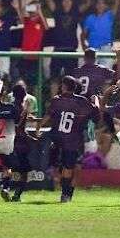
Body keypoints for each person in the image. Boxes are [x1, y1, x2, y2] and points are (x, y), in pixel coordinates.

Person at [37, 75, 100, 203]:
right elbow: (96, 114)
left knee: (56, 164)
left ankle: (61, 186)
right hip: (73, 140)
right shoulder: (82, 101)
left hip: (57, 138)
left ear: (64, 86)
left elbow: (48, 116)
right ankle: (65, 194)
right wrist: (96, 100)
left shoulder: (57, 100)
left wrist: (39, 126)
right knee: (69, 168)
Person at [74, 48, 120, 157]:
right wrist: (119, 58)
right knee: (109, 128)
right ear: (95, 58)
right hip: (95, 108)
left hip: (78, 108)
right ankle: (115, 138)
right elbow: (118, 77)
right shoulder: (100, 70)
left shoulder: (76, 71)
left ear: (84, 58)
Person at [44, 0, 82, 79]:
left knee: (71, 79)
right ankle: (53, 96)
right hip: (58, 49)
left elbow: (87, 5)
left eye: (68, 0)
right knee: (54, 78)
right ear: (62, 2)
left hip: (71, 50)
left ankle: (70, 96)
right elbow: (48, 0)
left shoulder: (75, 13)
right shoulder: (57, 12)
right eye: (64, 0)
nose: (66, 2)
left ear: (71, 2)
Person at [10, 0, 49, 87]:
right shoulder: (27, 20)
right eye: (31, 7)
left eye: (35, 7)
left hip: (36, 57)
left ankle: (35, 99)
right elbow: (21, 19)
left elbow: (46, 27)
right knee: (23, 80)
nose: (33, 10)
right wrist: (17, 8)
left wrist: (39, 12)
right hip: (25, 56)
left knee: (35, 83)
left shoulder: (40, 21)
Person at [81, 0, 120, 66]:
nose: (100, 5)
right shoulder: (90, 18)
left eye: (102, 3)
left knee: (107, 74)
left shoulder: (109, 15)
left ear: (105, 5)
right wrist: (84, 46)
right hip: (92, 48)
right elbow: (83, 34)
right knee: (92, 74)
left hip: (106, 48)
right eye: (98, 3)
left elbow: (117, 4)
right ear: (96, 5)